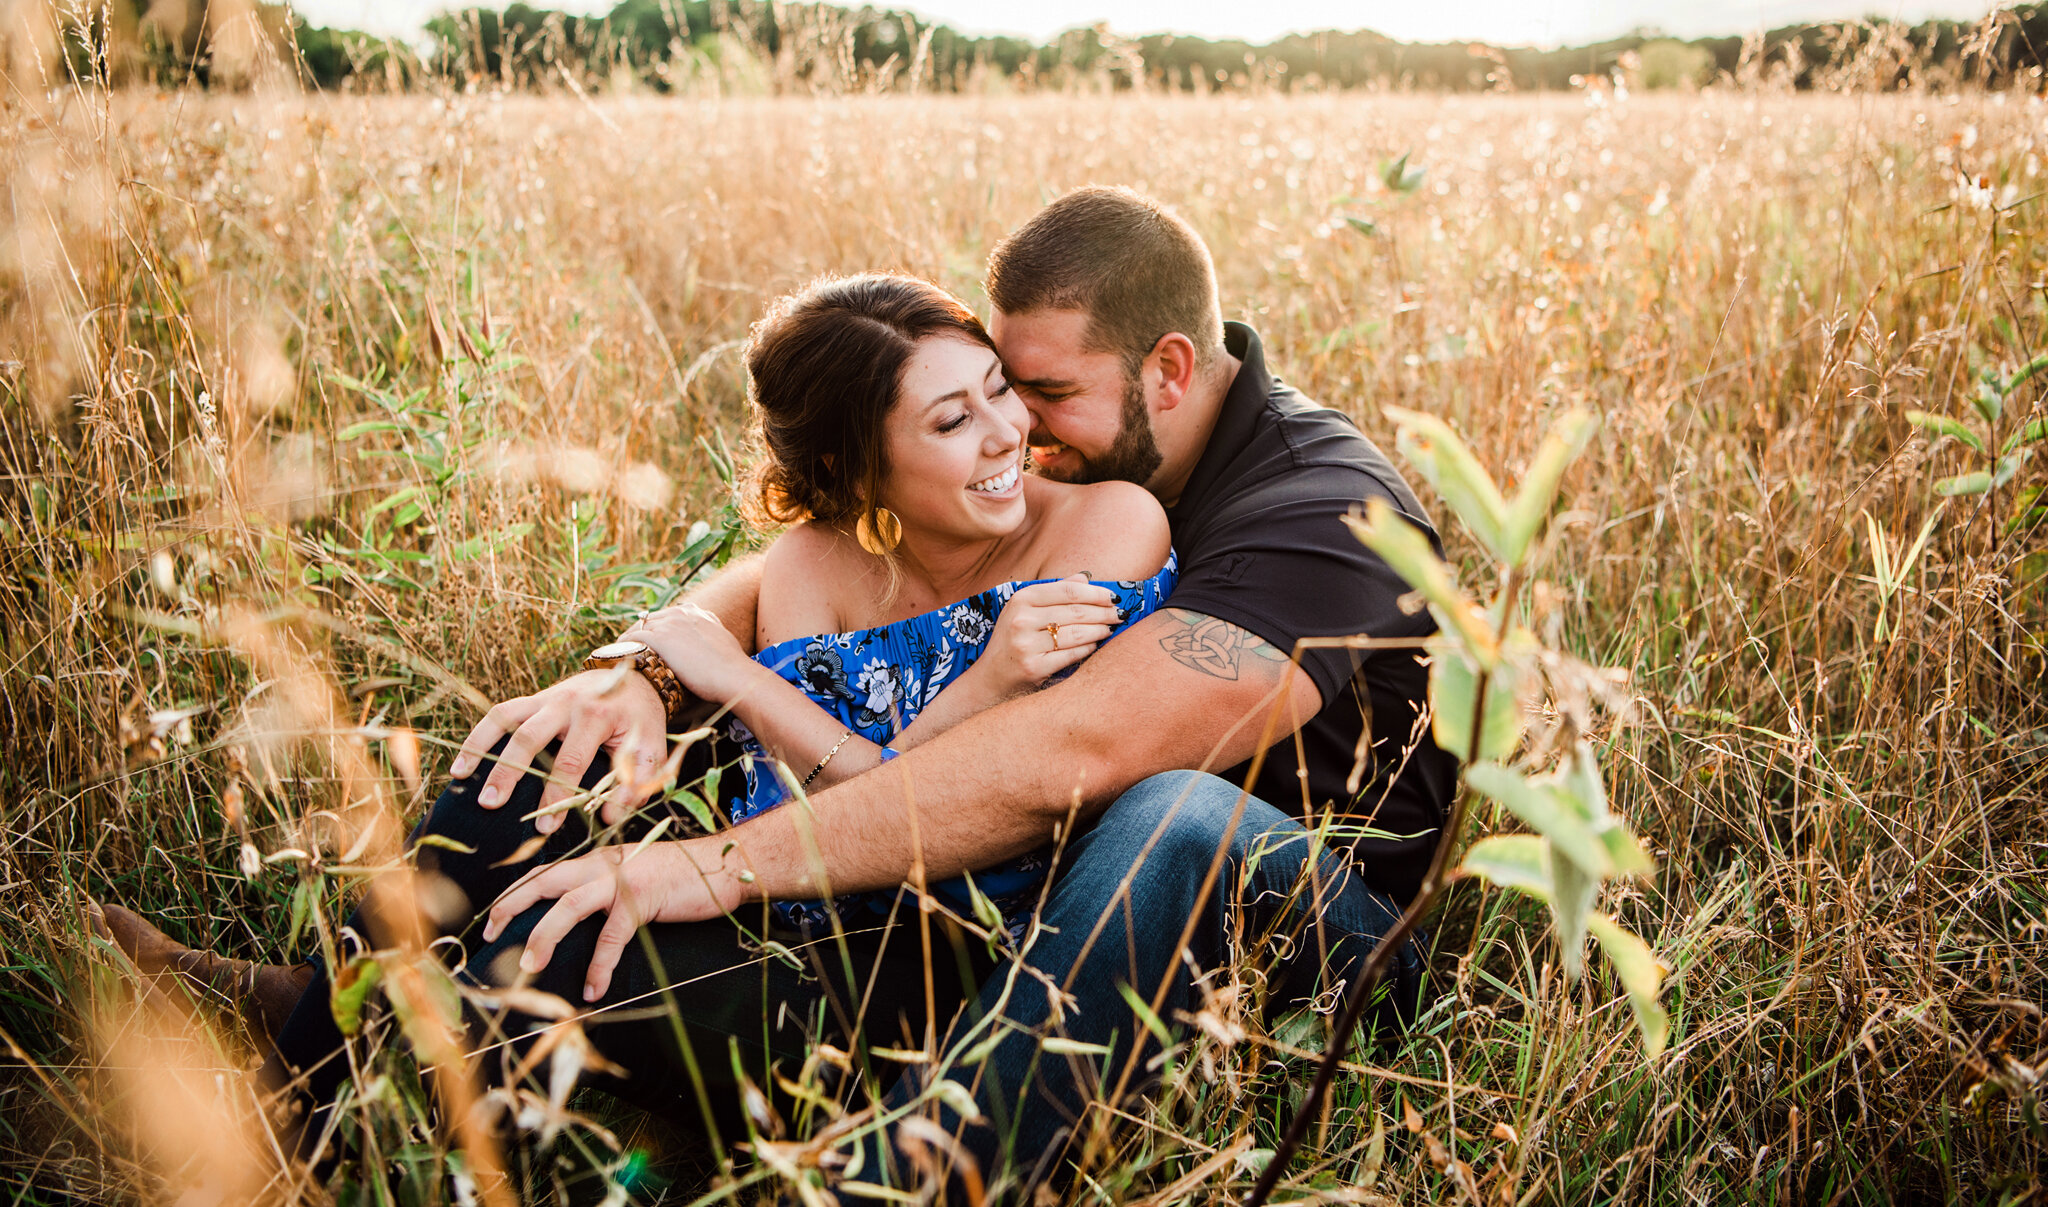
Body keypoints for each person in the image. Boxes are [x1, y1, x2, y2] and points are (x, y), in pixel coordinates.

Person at [110, 187, 1451, 1195]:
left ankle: (930, 1168)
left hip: (1301, 926)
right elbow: (797, 577)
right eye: (987, 394)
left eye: (1037, 395)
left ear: (1168, 368)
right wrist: (639, 675)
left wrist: (722, 866)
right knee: (550, 775)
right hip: (977, 887)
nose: (1018, 433)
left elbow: (1074, 755)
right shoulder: (1067, 474)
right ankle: (322, 1017)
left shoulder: (1311, 512)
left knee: (1168, 817)